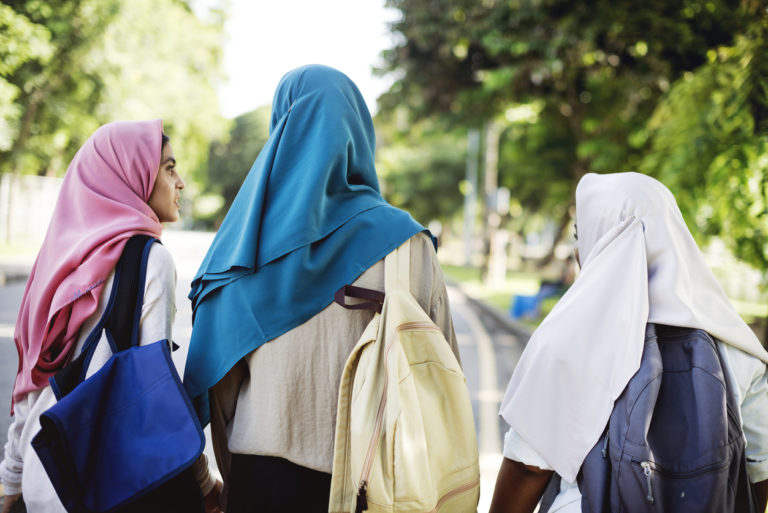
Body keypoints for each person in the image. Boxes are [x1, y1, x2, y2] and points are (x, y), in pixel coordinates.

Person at [184, 64, 461, 512]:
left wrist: (233, 481)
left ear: (283, 128)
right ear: (358, 133)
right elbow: (441, 370)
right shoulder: (408, 245)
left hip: (263, 483)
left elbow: (221, 390)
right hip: (378, 484)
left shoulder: (243, 251)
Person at [489, 171, 768, 513]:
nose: (579, 250)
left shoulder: (569, 342)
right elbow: (759, 473)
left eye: (582, 235)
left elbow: (527, 466)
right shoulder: (736, 344)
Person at [0, 120, 222, 513]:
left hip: (47, 470)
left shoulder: (58, 260)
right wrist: (203, 480)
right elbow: (156, 394)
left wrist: (11, 478)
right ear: (132, 175)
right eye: (170, 169)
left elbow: (32, 382)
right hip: (106, 482)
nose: (181, 182)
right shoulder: (150, 259)